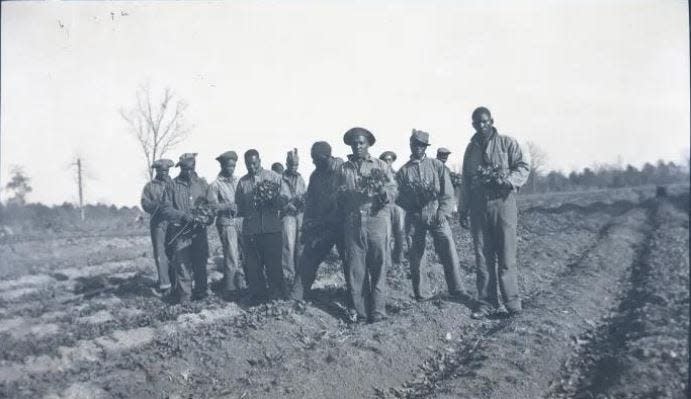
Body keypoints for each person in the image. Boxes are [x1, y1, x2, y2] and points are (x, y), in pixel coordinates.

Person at [459, 107, 530, 318]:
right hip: (479, 207)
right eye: (477, 123)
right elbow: (465, 182)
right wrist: (463, 209)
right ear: (473, 125)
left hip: (503, 202)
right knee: (483, 256)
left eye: (484, 122)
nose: (481, 126)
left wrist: (508, 181)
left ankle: (512, 301)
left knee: (507, 253)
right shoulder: (471, 150)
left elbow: (523, 166)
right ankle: (487, 301)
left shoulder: (507, 143)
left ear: (491, 121)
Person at [396, 130, 467, 301]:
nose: (418, 148)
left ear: (425, 147)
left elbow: (447, 192)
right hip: (415, 216)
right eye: (415, 144)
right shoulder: (404, 171)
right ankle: (422, 294)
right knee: (416, 254)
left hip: (436, 212)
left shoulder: (436, 166)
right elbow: (397, 196)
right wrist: (410, 203)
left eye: (421, 145)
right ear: (411, 145)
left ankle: (457, 290)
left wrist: (442, 211)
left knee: (448, 248)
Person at [337, 127, 397, 323]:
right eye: (354, 143)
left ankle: (378, 312)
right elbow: (336, 195)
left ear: (368, 144)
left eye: (361, 142)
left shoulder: (380, 165)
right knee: (356, 268)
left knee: (379, 265)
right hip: (353, 222)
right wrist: (342, 196)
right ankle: (361, 313)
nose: (358, 146)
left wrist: (382, 191)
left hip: (376, 219)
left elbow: (393, 190)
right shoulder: (344, 169)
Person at [290, 141, 345, 301]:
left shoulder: (343, 170)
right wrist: (307, 225)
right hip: (323, 226)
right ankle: (295, 298)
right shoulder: (315, 176)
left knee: (351, 264)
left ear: (326, 157)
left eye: (316, 158)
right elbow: (310, 202)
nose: (313, 162)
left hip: (342, 225)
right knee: (308, 259)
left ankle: (357, 303)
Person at [235, 149, 291, 302]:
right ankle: (258, 297)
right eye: (248, 165)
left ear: (259, 160)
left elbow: (286, 199)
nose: (251, 167)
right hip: (251, 231)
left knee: (274, 266)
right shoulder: (243, 182)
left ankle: (277, 296)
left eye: (254, 163)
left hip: (272, 229)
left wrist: (274, 199)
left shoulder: (274, 177)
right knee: (254, 267)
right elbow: (239, 206)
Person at [161, 153, 213, 304]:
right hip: (180, 233)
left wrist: (207, 217)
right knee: (182, 265)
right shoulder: (172, 185)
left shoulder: (203, 184)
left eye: (190, 168)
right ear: (180, 168)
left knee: (200, 263)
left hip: (198, 232)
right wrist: (182, 216)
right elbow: (165, 209)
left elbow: (211, 206)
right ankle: (185, 297)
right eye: (184, 169)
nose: (188, 172)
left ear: (194, 166)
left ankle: (201, 294)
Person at [206, 150, 245, 294]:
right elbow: (211, 206)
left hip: (241, 221)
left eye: (234, 166)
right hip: (226, 222)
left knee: (246, 253)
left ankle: (243, 283)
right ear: (222, 166)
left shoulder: (239, 181)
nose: (231, 168)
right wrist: (227, 206)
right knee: (231, 255)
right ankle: (230, 288)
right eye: (229, 166)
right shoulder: (215, 185)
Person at [140, 159, 174, 294]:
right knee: (160, 253)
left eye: (166, 170)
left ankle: (176, 281)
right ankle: (165, 285)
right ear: (156, 171)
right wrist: (157, 206)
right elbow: (145, 203)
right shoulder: (149, 187)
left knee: (174, 252)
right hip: (158, 223)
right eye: (161, 170)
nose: (164, 173)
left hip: (174, 222)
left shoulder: (175, 184)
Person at [281, 149, 307, 284]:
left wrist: (302, 201)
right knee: (288, 246)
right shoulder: (281, 179)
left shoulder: (301, 179)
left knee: (300, 246)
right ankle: (288, 277)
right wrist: (287, 205)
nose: (294, 167)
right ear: (286, 164)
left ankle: (300, 277)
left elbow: (304, 195)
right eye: (291, 164)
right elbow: (279, 199)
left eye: (296, 165)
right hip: (288, 216)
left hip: (300, 215)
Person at [379, 151, 406, 265]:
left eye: (389, 160)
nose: (387, 162)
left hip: (398, 206)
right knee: (386, 234)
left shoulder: (398, 174)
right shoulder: (379, 176)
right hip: (385, 207)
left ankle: (399, 258)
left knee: (399, 233)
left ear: (392, 161)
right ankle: (387, 261)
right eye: (385, 160)